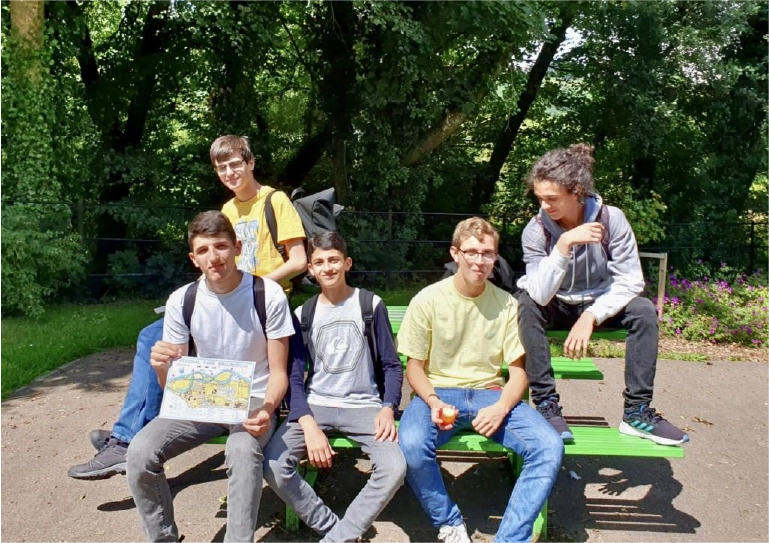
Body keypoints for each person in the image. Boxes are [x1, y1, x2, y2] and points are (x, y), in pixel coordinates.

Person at [68, 135, 307, 480]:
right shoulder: (227, 210)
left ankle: (127, 438)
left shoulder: (275, 200)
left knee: (156, 341)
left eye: (235, 164)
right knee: (155, 341)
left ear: (251, 163)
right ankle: (131, 436)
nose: (229, 172)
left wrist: (257, 286)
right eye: (221, 167)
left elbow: (299, 259)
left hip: (257, 305)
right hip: (223, 297)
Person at [125, 210, 293, 542]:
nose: (214, 258)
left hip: (254, 401)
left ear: (237, 247)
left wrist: (267, 409)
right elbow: (175, 388)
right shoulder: (182, 300)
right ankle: (163, 538)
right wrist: (161, 368)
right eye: (204, 251)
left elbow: (278, 372)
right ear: (194, 259)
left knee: (242, 451)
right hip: (201, 403)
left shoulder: (267, 295)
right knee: (139, 453)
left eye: (220, 247)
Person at [397, 217, 563, 543]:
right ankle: (448, 521)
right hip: (439, 394)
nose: (479, 260)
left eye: (487, 253)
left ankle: (510, 538)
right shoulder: (427, 300)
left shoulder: (507, 305)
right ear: (455, 254)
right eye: (471, 252)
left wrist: (502, 407)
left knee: (548, 446)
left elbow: (518, 372)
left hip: (490, 395)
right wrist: (432, 401)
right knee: (412, 445)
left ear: (496, 257)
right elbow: (414, 368)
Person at [515, 143, 689, 446]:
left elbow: (631, 281)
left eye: (552, 198)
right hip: (555, 303)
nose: (544, 206)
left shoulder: (612, 220)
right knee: (526, 302)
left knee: (644, 310)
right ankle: (545, 406)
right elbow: (541, 293)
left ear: (577, 191)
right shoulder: (536, 230)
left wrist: (592, 315)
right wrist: (563, 245)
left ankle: (636, 413)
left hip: (600, 305)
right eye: (540, 198)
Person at [263, 232, 406, 543]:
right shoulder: (303, 314)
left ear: (347, 263)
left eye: (333, 260)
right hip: (316, 405)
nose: (327, 267)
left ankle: (339, 537)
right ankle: (333, 528)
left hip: (366, 406)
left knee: (394, 467)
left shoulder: (370, 304)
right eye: (319, 262)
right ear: (310, 270)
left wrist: (387, 407)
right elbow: (293, 376)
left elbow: (392, 366)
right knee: (273, 464)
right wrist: (307, 421)